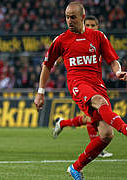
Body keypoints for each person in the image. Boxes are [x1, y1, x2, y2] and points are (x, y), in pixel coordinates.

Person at [34, 2, 127, 180]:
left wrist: (117, 71)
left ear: (83, 17)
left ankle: (75, 168)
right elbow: (47, 66)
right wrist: (40, 92)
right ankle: (125, 128)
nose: (69, 21)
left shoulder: (98, 36)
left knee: (107, 135)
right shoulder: (61, 40)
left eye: (73, 17)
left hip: (97, 84)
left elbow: (113, 60)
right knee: (100, 102)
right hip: (78, 84)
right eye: (67, 17)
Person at [52, 15, 113, 158]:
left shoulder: (98, 40)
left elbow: (109, 58)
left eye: (93, 25)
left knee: (90, 117)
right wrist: (57, 61)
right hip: (79, 84)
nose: (90, 28)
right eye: (88, 25)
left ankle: (62, 123)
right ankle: (97, 148)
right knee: (93, 115)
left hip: (96, 83)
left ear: (98, 27)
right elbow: (60, 57)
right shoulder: (73, 41)